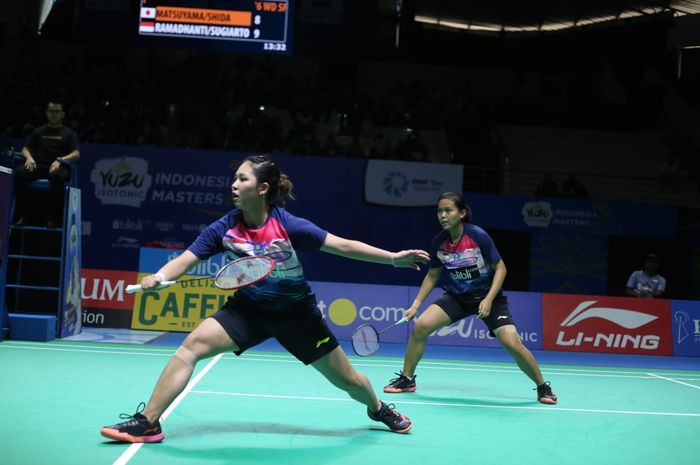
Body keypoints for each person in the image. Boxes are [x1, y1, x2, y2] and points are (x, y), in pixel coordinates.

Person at [100, 155, 430, 442]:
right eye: (234, 178)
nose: (234, 184)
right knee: (192, 345)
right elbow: (185, 260)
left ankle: (377, 408)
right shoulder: (223, 229)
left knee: (348, 380)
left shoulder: (288, 226)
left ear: (262, 189)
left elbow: (341, 244)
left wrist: (391, 258)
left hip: (297, 315)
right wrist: (161, 277)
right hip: (249, 311)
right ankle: (148, 423)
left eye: (242, 178)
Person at [383, 192, 557, 405]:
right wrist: (416, 305)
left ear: (462, 213)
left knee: (511, 343)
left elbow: (501, 268)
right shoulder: (439, 241)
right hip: (458, 298)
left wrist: (489, 299)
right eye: (439, 211)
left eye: (449, 210)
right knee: (421, 327)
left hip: (488, 298)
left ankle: (542, 386)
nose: (443, 215)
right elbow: (433, 274)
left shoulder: (477, 236)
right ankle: (407, 379)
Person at [13, 100, 79, 227]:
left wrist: (61, 160)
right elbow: (25, 149)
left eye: (57, 111)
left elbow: (76, 154)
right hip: (38, 166)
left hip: (60, 167)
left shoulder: (70, 133)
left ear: (62, 114)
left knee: (56, 176)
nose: (54, 114)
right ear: (46, 113)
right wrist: (29, 158)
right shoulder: (38, 131)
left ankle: (52, 216)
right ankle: (24, 213)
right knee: (20, 173)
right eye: (51, 111)